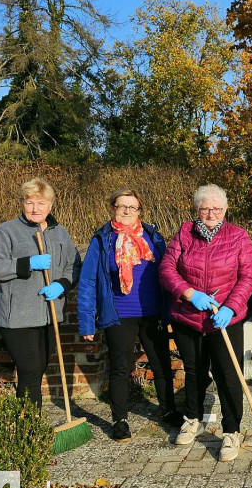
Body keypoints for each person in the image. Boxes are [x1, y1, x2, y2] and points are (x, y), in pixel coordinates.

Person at [159, 184, 252, 462]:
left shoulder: (238, 236)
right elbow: (166, 269)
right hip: (189, 317)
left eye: (216, 208)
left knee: (228, 373)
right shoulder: (184, 234)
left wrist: (230, 307)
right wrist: (189, 293)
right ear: (197, 210)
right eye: (205, 208)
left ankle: (231, 430)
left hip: (224, 319)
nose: (211, 213)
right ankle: (192, 418)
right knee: (194, 371)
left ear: (225, 209)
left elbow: (247, 277)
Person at [77, 188, 181, 443]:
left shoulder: (153, 237)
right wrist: (86, 320)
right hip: (119, 314)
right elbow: (88, 280)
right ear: (112, 208)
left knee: (161, 365)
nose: (126, 211)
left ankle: (167, 410)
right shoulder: (102, 240)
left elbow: (169, 271)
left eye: (132, 207)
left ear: (140, 211)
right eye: (121, 206)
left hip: (153, 312)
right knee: (121, 368)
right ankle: (120, 419)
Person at [0, 178, 81, 410]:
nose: (35, 209)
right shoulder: (7, 231)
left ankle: (27, 424)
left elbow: (74, 265)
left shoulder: (60, 233)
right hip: (17, 316)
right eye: (30, 202)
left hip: (49, 314)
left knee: (39, 368)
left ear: (51, 205)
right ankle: (29, 425)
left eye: (41, 203)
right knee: (29, 369)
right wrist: (25, 264)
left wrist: (62, 284)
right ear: (22, 203)